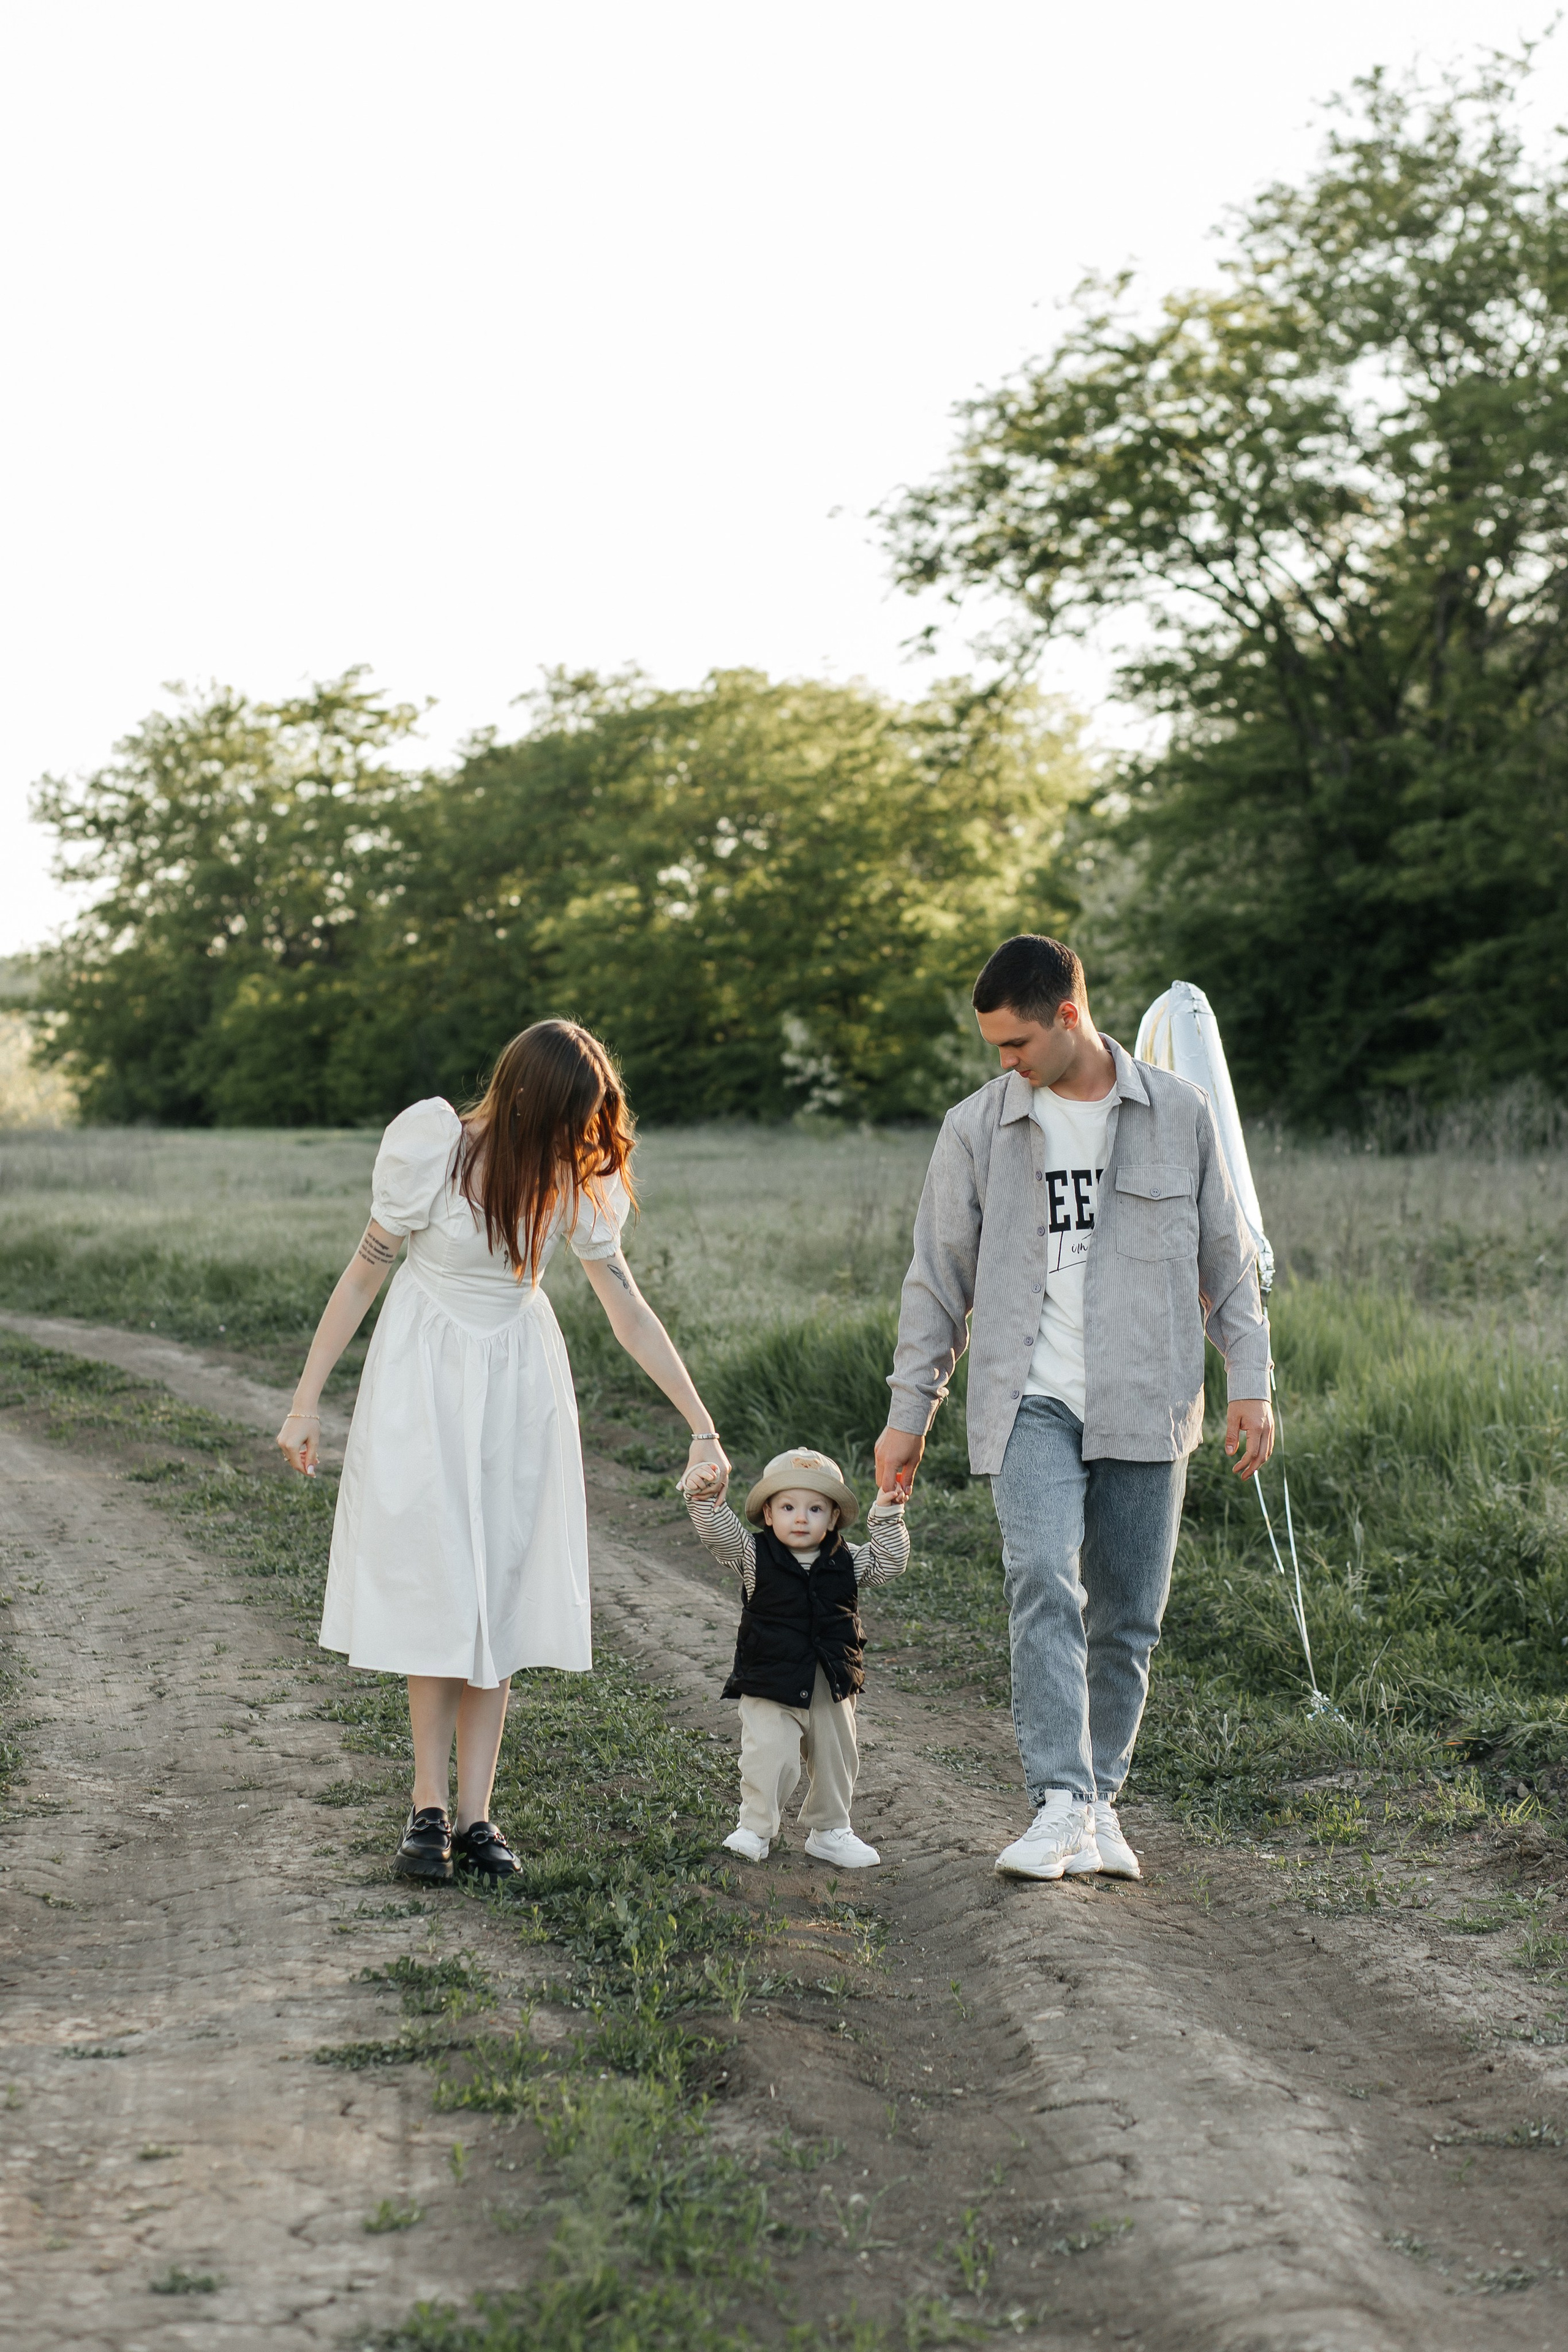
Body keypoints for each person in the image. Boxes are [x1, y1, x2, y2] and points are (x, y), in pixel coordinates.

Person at [276, 1020, 729, 1887]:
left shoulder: (574, 1177)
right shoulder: (434, 1147)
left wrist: (700, 1424)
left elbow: (629, 1311)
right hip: (424, 1376)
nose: (576, 1136)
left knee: (500, 1590)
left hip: (520, 1383)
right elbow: (364, 1272)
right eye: (566, 1117)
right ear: (524, 1096)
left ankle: (478, 1816)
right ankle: (427, 1809)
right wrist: (305, 1404)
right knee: (438, 1582)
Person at [873, 937, 1272, 1885]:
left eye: (1016, 1043)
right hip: (1029, 1401)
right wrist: (909, 1413)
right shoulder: (975, 1129)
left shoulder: (1181, 1113)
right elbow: (936, 1280)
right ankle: (1058, 1801)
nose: (1004, 1062)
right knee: (1044, 1579)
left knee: (1130, 1617)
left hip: (1148, 1397)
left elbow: (1227, 1260)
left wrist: (1251, 1381)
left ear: (1068, 1014)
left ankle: (1099, 1804)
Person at [679, 1447, 908, 1868]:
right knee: (770, 1754)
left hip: (831, 1679)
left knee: (836, 1756)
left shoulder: (848, 1560)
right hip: (769, 1678)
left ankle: (830, 1830)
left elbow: (890, 1561)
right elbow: (719, 1534)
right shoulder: (753, 1554)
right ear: (768, 1514)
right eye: (788, 1507)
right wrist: (703, 1496)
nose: (801, 1518)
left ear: (833, 1518)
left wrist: (888, 1514)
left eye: (815, 1509)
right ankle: (755, 1827)